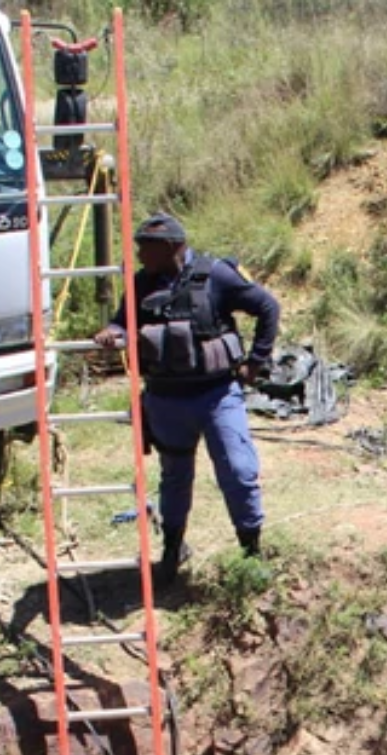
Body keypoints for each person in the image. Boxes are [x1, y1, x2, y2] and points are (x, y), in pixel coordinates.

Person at [93, 212, 280, 585]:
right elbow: (122, 322)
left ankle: (251, 552)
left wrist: (256, 363)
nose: (141, 254)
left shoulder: (218, 275)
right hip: (165, 400)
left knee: (239, 471)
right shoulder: (141, 284)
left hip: (216, 396)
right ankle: (172, 550)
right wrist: (111, 333)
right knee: (175, 478)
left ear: (174, 247)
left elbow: (268, 307)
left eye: (148, 247)